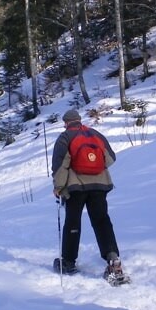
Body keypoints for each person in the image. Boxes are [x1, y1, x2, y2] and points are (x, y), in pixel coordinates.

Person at [51, 109, 125, 281]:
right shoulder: (95, 134)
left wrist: (58, 186)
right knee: (101, 221)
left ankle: (68, 262)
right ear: (79, 120)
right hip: (100, 185)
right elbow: (110, 158)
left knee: (73, 221)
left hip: (76, 187)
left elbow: (61, 165)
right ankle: (113, 259)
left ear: (66, 122)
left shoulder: (65, 137)